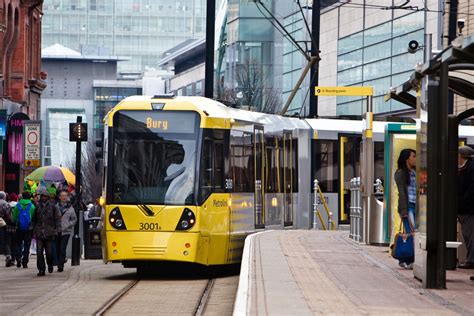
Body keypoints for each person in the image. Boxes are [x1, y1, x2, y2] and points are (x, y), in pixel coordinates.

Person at [394, 148, 417, 269]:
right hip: (407, 206)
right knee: (411, 232)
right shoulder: (400, 173)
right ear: (407, 158)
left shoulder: (416, 172)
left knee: (413, 232)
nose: (416, 159)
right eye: (414, 156)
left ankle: (403, 258)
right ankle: (409, 259)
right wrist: (404, 211)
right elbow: (402, 192)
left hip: (418, 206)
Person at [33, 187, 61, 276]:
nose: (43, 198)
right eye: (42, 196)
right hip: (39, 232)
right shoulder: (37, 206)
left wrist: (58, 229)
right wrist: (33, 229)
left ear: (48, 197)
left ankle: (50, 264)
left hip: (49, 232)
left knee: (49, 253)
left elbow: (57, 218)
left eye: (45, 196)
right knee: (39, 252)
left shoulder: (53, 207)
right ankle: (41, 269)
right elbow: (34, 219)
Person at [457, 145, 474, 269]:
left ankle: (471, 260)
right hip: (464, 208)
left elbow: (470, 189)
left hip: (468, 208)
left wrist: (462, 201)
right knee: (467, 234)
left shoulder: (470, 169)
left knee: (469, 234)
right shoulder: (464, 168)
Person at [12, 191, 35, 268]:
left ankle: (18, 257)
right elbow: (34, 218)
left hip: (19, 227)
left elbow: (14, 217)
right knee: (27, 245)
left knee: (18, 243)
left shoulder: (17, 206)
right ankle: (25, 261)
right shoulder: (32, 206)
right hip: (29, 228)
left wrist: (16, 223)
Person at [55, 190, 77, 272]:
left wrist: (68, 224)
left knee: (62, 248)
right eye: (62, 195)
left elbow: (74, 219)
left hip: (66, 231)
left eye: (65, 195)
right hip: (57, 231)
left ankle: (60, 265)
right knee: (57, 248)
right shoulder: (56, 207)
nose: (64, 197)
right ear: (60, 197)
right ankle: (60, 260)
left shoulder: (70, 208)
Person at [0, 191, 15, 267]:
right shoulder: (6, 204)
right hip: (3, 223)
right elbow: (8, 215)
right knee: (6, 241)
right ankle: (8, 256)